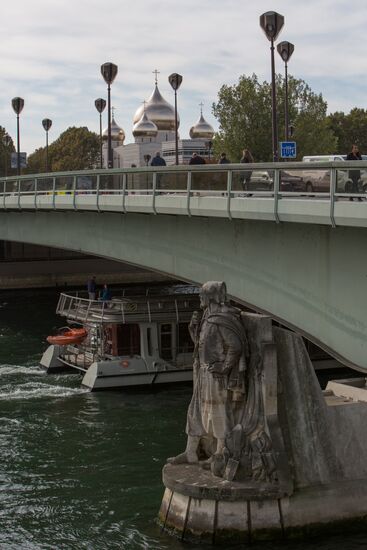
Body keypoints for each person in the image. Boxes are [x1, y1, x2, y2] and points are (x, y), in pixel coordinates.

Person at [167, 281, 249, 475]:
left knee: (219, 413)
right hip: (203, 373)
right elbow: (203, 345)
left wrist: (224, 367)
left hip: (215, 376)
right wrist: (194, 329)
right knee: (196, 410)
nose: (199, 298)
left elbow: (235, 346)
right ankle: (190, 452)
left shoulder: (222, 318)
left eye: (202, 295)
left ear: (210, 297)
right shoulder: (208, 317)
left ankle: (220, 453)